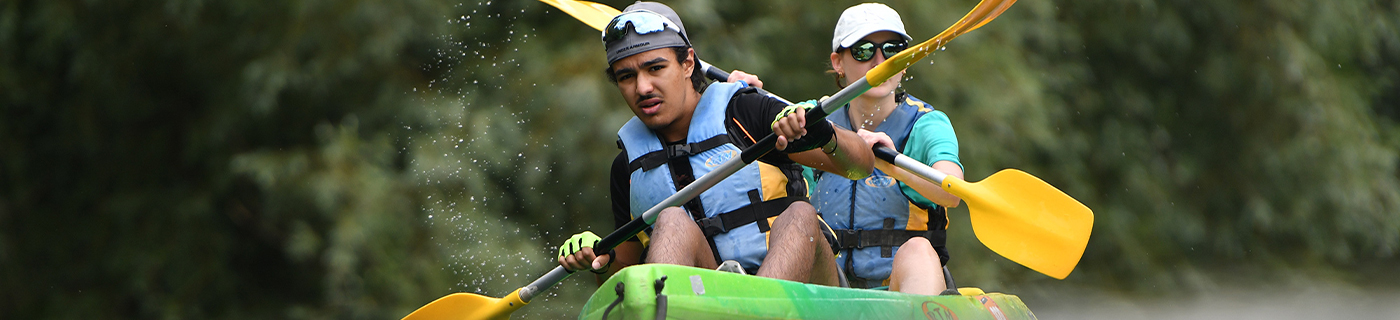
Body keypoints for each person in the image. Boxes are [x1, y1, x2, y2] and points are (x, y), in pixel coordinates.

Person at [555, 2, 875, 287]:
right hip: (709, 298)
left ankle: (758, 311)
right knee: (671, 220)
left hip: (808, 289)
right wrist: (599, 258)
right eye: (626, 77)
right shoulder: (627, 166)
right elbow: (620, 275)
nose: (643, 87)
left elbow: (860, 165)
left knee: (800, 215)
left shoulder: (745, 111)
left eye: (655, 68)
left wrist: (824, 133)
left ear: (687, 63)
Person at [811, 3, 966, 295]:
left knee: (919, 249)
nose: (879, 61)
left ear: (904, 61)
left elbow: (952, 191)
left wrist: (894, 166)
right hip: (829, 291)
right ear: (838, 62)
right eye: (863, 50)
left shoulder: (926, 125)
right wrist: (739, 94)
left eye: (892, 50)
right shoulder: (817, 123)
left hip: (900, 289)